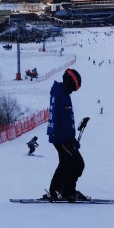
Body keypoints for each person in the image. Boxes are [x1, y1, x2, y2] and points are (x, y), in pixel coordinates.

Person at [44, 68, 88, 202]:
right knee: (77, 163)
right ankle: (68, 192)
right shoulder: (62, 96)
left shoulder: (60, 93)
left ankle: (55, 191)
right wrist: (68, 140)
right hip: (62, 138)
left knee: (65, 163)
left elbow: (65, 119)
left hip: (60, 137)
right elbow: (62, 120)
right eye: (74, 87)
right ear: (69, 82)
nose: (74, 90)